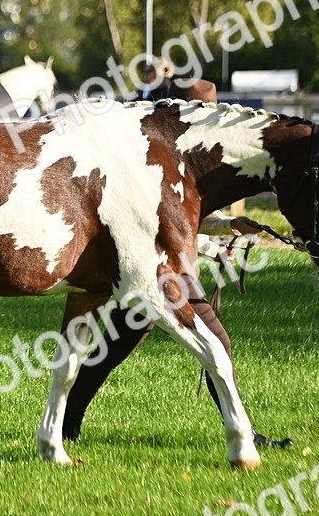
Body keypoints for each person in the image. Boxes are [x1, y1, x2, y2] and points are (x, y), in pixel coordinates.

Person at [62, 77, 292, 447]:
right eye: (205, 111)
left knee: (111, 350)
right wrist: (213, 246)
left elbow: (180, 225)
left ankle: (67, 423)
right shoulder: (155, 157)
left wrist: (226, 226)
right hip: (159, 273)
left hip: (157, 270)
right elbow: (156, 232)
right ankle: (244, 435)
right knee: (216, 344)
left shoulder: (184, 156)